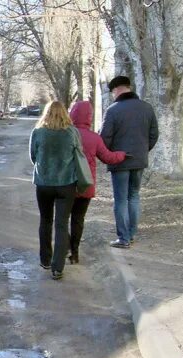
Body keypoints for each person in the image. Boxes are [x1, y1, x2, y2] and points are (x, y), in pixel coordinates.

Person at [100, 75, 158, 249]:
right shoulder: (147, 108)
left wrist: (111, 154)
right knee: (134, 197)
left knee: (120, 200)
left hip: (120, 161)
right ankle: (131, 234)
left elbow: (105, 137)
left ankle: (123, 238)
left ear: (116, 90)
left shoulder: (113, 110)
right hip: (139, 160)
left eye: (112, 92)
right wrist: (142, 150)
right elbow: (154, 134)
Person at [29, 101, 83, 280]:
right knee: (61, 224)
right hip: (66, 184)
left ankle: (45, 259)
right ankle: (58, 267)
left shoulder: (38, 132)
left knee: (45, 221)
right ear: (64, 114)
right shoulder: (72, 132)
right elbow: (78, 154)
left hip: (43, 183)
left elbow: (33, 156)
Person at [68, 100, 126, 264]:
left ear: (72, 114)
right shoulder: (94, 138)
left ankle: (64, 245)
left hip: (67, 184)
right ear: (89, 117)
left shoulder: (67, 134)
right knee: (78, 219)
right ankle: (75, 253)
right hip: (86, 184)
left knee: (62, 218)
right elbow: (108, 157)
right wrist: (122, 154)